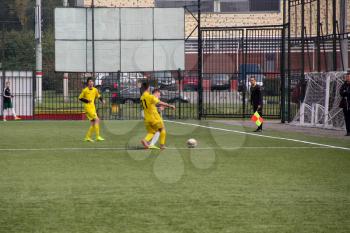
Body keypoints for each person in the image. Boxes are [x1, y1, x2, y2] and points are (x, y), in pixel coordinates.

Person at [140, 83, 175, 150]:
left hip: (147, 118)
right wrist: (170, 105)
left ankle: (145, 140)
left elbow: (151, 105)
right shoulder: (150, 96)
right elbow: (158, 102)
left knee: (152, 132)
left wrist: (160, 108)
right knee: (162, 129)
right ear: (148, 88)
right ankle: (162, 145)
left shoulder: (142, 97)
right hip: (154, 117)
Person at [79, 78, 105, 142]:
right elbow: (80, 98)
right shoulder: (85, 90)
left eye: (92, 81)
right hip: (88, 107)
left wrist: (102, 100)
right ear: (88, 83)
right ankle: (98, 136)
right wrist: (87, 100)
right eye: (90, 81)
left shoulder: (95, 90)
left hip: (92, 107)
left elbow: (98, 96)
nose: (91, 82)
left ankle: (87, 137)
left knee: (93, 123)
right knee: (97, 120)